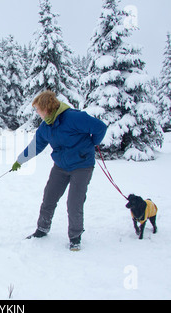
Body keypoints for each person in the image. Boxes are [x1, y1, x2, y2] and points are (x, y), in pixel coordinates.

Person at [12, 91, 107, 251]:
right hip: (61, 166)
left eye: (37, 109)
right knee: (49, 196)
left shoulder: (74, 117)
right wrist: (20, 160)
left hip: (82, 165)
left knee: (74, 202)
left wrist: (92, 143)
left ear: (46, 108)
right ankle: (42, 229)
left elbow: (100, 128)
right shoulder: (45, 127)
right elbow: (36, 146)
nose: (36, 112)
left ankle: (75, 237)